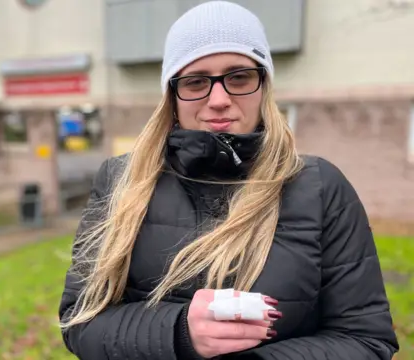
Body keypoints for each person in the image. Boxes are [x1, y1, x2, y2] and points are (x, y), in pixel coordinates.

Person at [57, 1, 400, 359]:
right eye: (195, 82)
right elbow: (80, 322)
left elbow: (366, 340)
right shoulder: (121, 182)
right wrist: (178, 333)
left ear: (263, 85)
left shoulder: (319, 187)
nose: (219, 99)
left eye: (239, 77)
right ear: (172, 97)